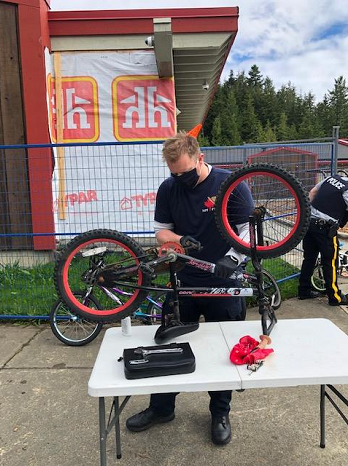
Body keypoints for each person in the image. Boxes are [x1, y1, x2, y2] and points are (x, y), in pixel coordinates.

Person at [126, 132, 254, 445]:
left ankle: (220, 412)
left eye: (185, 172)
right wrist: (179, 242)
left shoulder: (231, 186)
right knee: (167, 346)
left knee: (224, 352)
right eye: (174, 173)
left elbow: (247, 233)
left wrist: (231, 260)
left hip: (224, 282)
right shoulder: (168, 189)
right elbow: (161, 233)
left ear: (200, 158)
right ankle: (161, 407)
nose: (180, 178)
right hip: (182, 282)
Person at [298, 173, 348, 305]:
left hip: (309, 223)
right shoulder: (347, 189)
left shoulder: (332, 178)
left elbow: (313, 192)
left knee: (309, 258)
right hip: (325, 228)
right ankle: (334, 297)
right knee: (330, 262)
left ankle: (304, 291)